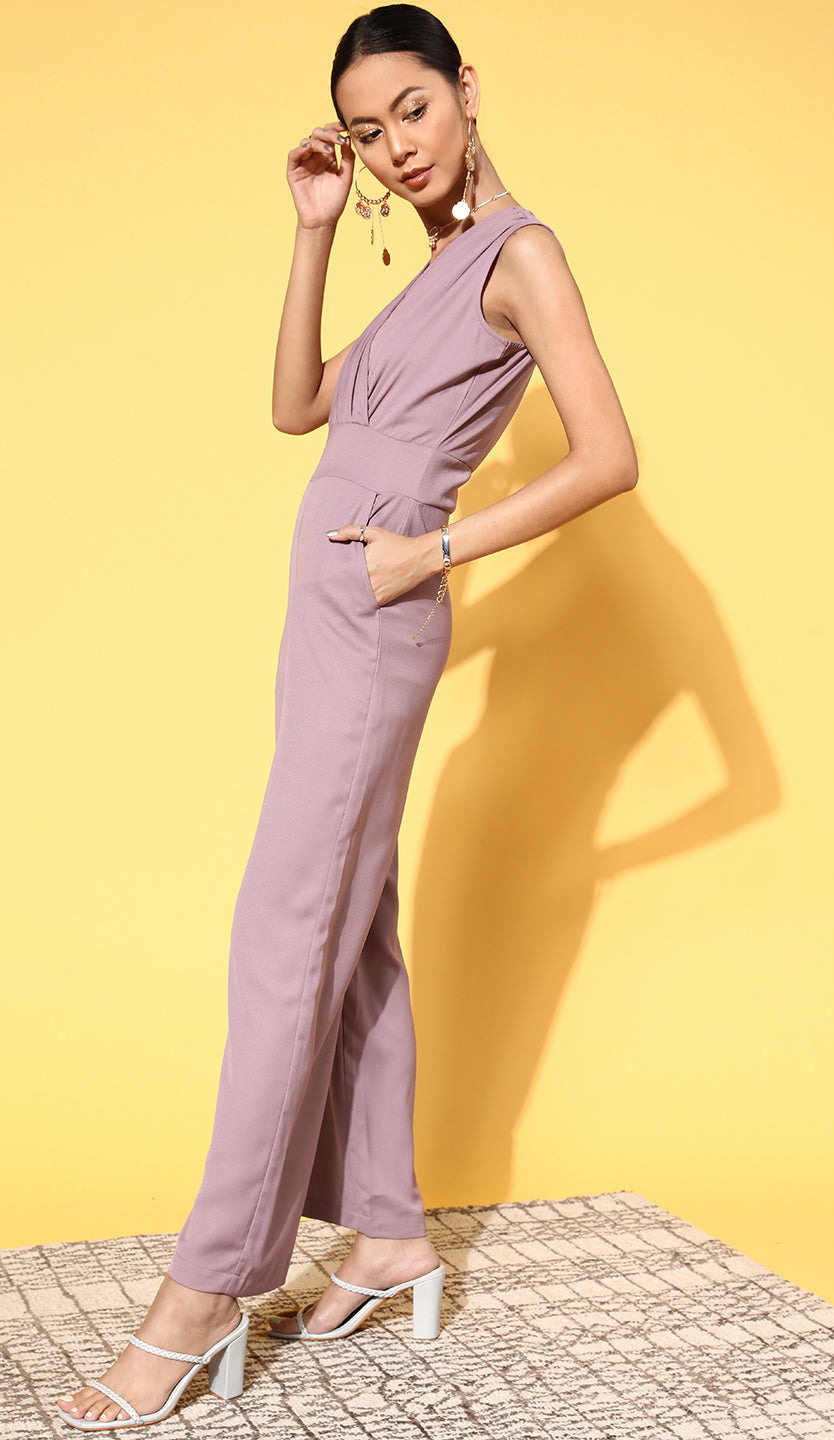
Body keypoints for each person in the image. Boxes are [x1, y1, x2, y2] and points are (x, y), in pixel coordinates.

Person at [57, 3, 637, 1429]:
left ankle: (204, 1294)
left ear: (468, 90)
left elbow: (611, 456)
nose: (396, 149)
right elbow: (296, 407)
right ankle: (385, 1238)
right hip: (326, 621)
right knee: (351, 928)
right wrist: (314, 230)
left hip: (377, 617)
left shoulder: (521, 254)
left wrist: (428, 553)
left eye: (413, 111)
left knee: (285, 933)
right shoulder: (431, 264)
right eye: (369, 133)